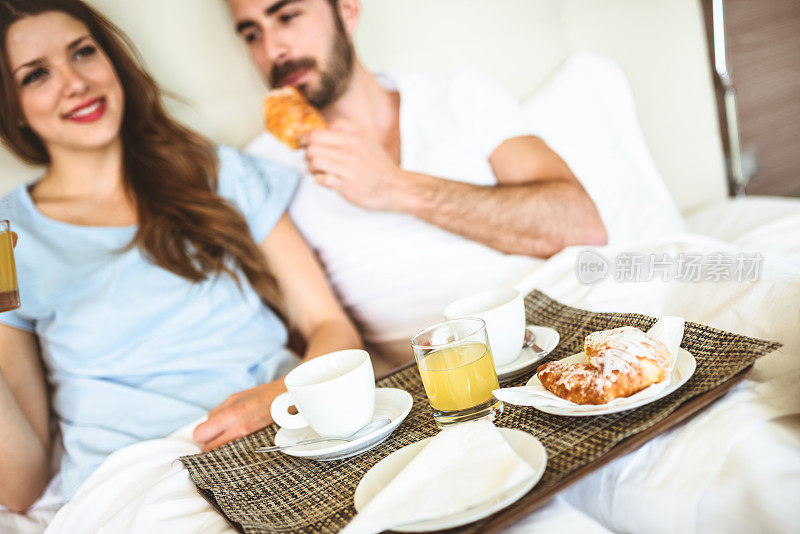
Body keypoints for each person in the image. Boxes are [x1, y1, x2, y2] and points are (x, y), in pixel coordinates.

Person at [0, 0, 360, 511]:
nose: (74, 82)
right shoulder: (7, 237)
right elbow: (20, 487)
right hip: (139, 484)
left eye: (83, 53)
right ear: (10, 104)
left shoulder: (213, 172)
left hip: (280, 439)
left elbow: (331, 325)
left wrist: (278, 397)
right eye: (36, 75)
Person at [227, 0, 608, 370]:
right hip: (449, 376)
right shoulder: (262, 171)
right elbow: (316, 328)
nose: (273, 49)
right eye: (251, 34)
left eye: (288, 16)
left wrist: (396, 187)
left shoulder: (459, 96)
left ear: (347, 10)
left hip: (569, 318)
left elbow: (582, 225)